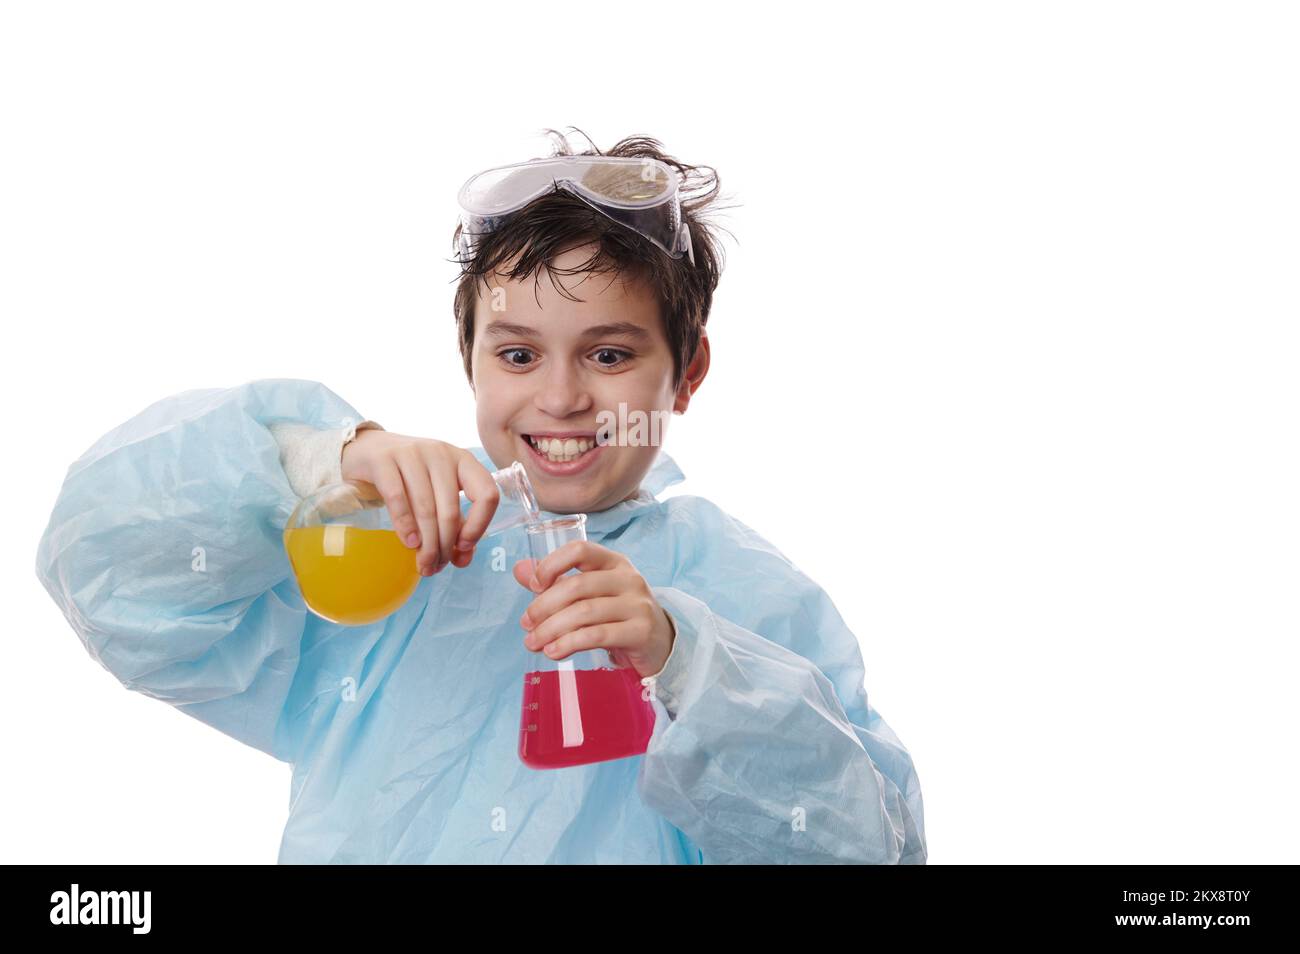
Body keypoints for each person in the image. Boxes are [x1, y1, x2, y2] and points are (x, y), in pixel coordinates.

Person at [34, 130, 927, 864]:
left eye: (610, 355)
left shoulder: (751, 598)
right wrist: (318, 465)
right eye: (518, 354)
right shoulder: (390, 538)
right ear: (469, 360)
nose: (562, 398)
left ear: (686, 372)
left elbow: (866, 846)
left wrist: (683, 658)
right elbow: (108, 573)